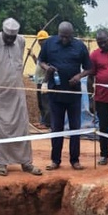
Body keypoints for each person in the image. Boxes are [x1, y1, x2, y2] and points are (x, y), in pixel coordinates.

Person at [0, 18, 43, 177]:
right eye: (7, 37)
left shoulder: (20, 41)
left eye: (12, 38)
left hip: (16, 93)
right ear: (3, 32)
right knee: (0, 128)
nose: (10, 40)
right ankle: (1, 163)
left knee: (21, 127)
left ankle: (26, 163)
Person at [38, 21, 92, 170]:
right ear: (58, 33)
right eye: (62, 37)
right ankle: (55, 160)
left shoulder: (80, 46)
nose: (64, 40)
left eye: (67, 37)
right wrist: (47, 68)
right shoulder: (49, 44)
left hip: (73, 94)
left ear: (72, 35)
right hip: (55, 93)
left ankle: (75, 160)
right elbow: (40, 60)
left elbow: (89, 68)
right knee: (56, 128)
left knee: (75, 127)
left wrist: (79, 76)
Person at [88, 29, 108, 166]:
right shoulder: (94, 55)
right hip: (101, 98)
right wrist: (90, 98)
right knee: (103, 127)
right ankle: (104, 155)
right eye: (99, 43)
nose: (102, 45)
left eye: (104, 42)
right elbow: (90, 77)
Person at [32, 30, 51, 128]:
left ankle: (47, 123)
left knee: (46, 103)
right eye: (39, 40)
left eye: (43, 40)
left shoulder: (48, 51)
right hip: (39, 81)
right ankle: (42, 121)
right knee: (40, 102)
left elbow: (48, 67)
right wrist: (33, 56)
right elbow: (38, 64)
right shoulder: (42, 52)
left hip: (45, 81)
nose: (41, 42)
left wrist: (45, 82)